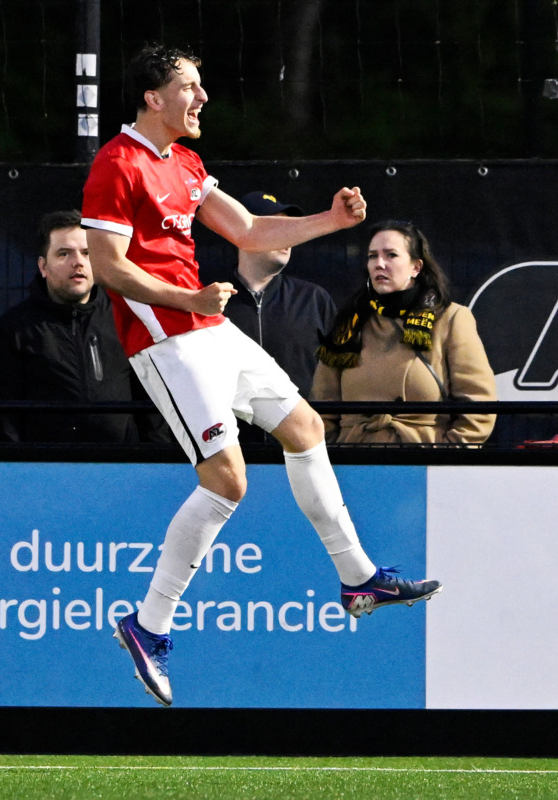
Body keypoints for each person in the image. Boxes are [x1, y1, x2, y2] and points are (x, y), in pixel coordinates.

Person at [81, 43, 441, 707]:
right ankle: (147, 625)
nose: (202, 98)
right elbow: (106, 265)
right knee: (227, 480)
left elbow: (248, 229)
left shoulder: (185, 161)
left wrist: (331, 220)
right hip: (165, 339)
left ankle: (358, 578)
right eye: (190, 86)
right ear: (153, 98)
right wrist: (187, 300)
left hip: (206, 329)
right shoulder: (116, 163)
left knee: (304, 427)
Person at [0, 209, 166, 443]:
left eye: (87, 253)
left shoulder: (128, 318)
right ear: (43, 266)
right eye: (64, 254)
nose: (78, 262)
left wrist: (152, 458)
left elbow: (153, 403)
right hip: (44, 470)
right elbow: (4, 414)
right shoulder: (13, 330)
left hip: (124, 469)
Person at [312, 220, 497, 444]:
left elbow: (479, 406)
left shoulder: (451, 318)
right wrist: (334, 456)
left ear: (416, 267)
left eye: (391, 255)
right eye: (372, 256)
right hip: (354, 464)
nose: (379, 264)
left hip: (424, 467)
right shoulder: (348, 323)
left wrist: (447, 458)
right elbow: (322, 407)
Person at [222, 191, 336, 398]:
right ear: (241, 233)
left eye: (291, 229)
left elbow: (343, 372)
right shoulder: (210, 302)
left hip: (306, 429)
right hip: (228, 430)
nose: (288, 237)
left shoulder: (313, 299)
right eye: (276, 228)